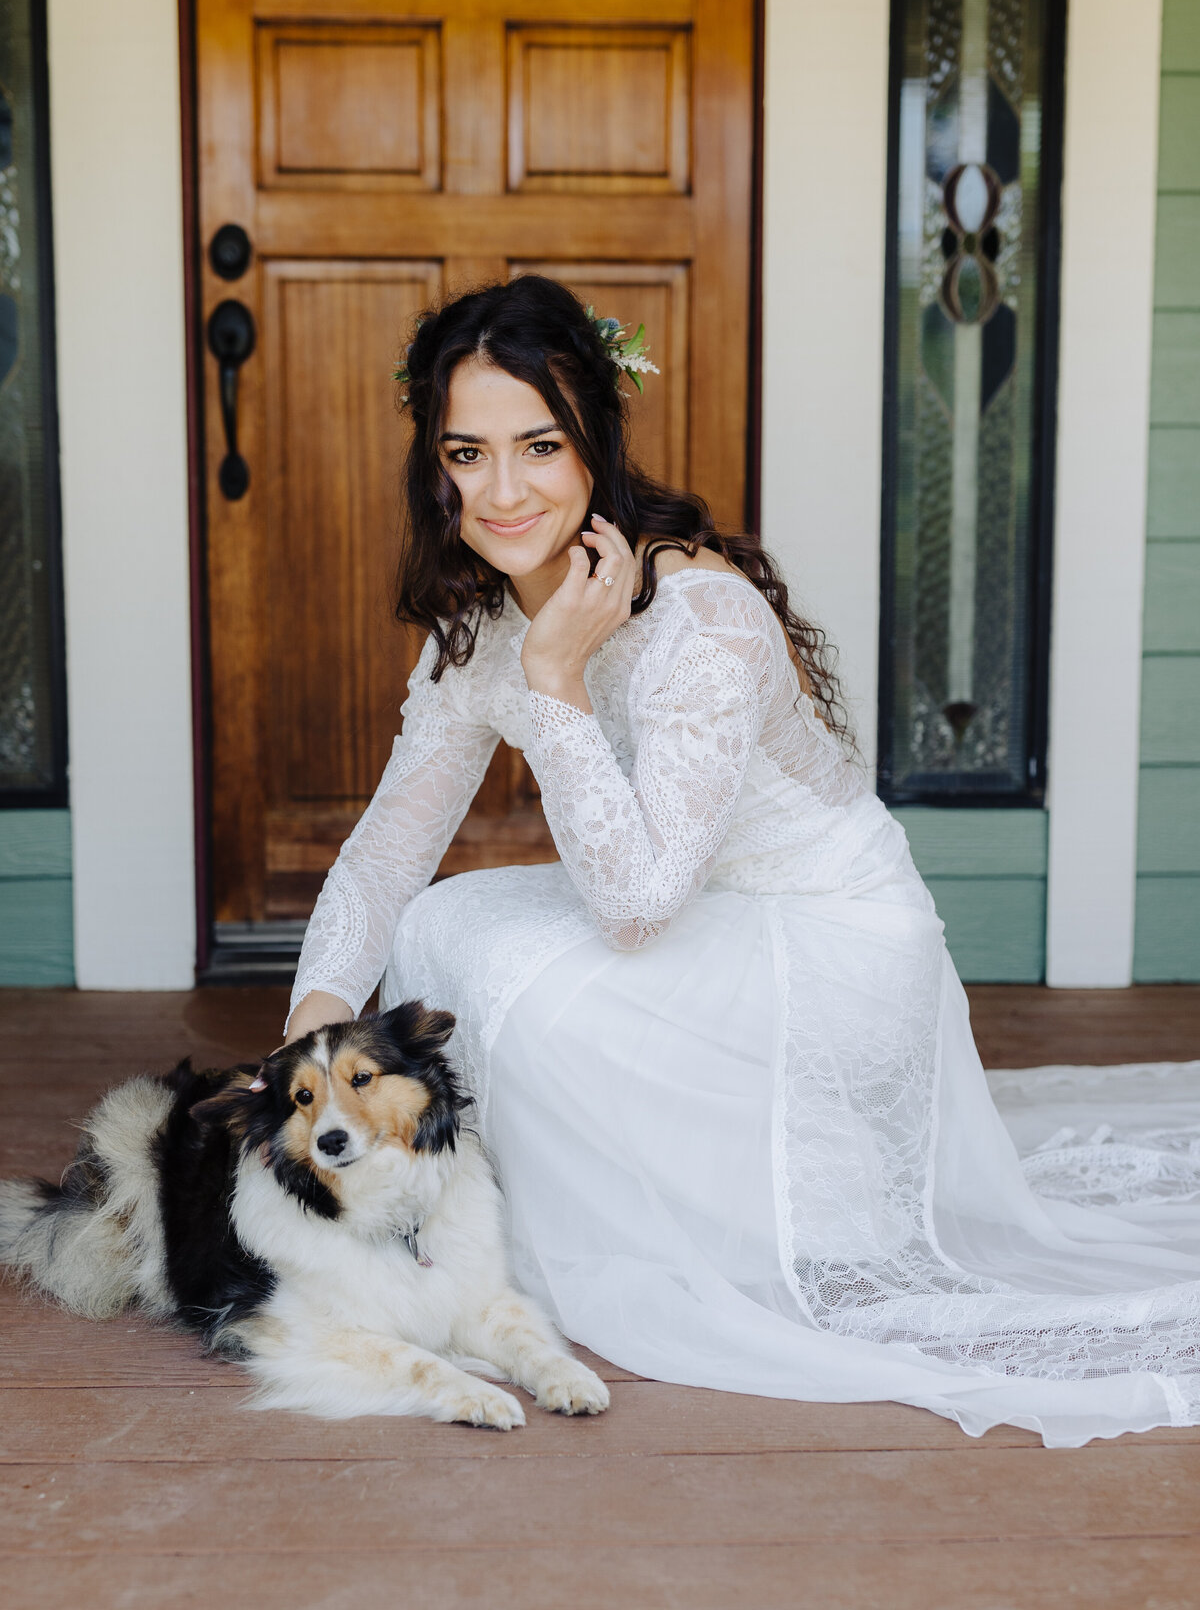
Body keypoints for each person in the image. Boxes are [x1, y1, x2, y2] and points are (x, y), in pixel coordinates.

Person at [279, 274, 1200, 1447]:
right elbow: (383, 856)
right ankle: (469, 1225)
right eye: (466, 453)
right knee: (436, 927)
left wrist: (559, 679)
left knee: (535, 996)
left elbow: (638, 906)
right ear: (435, 464)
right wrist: (305, 1049)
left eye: (539, 447)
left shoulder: (698, 620)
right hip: (696, 914)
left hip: (835, 946)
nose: (500, 492)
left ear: (596, 444)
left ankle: (640, 1242)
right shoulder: (486, 623)